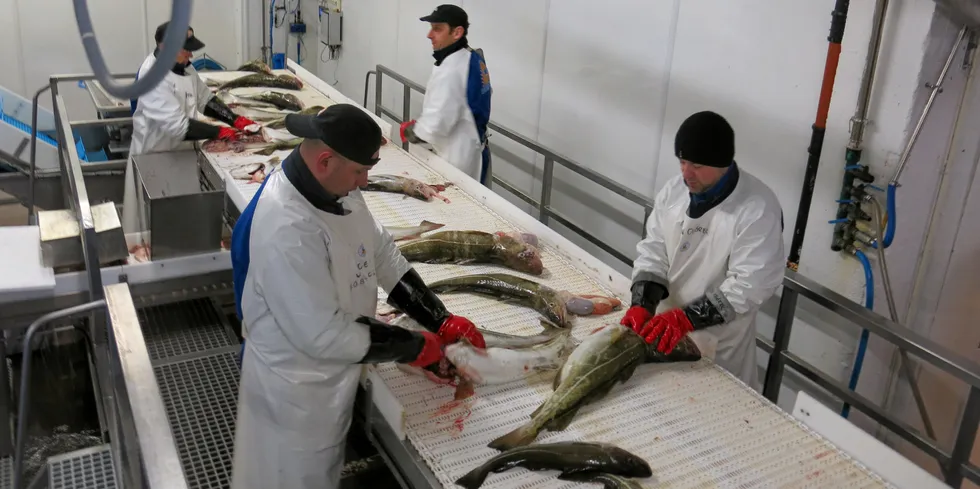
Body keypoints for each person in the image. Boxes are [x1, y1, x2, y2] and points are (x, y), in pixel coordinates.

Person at [228, 103, 486, 489]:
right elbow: (323, 334)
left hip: (334, 374)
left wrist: (439, 318)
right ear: (326, 160)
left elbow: (379, 250)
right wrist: (415, 346)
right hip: (294, 394)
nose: (365, 182)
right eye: (360, 172)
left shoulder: (335, 188)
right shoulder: (286, 225)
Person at [621, 111, 785, 390]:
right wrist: (643, 302)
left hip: (718, 346)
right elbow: (654, 248)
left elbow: (750, 284)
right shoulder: (674, 191)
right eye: (682, 162)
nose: (686, 173)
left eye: (696, 165)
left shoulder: (757, 208)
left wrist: (686, 318)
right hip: (661, 329)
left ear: (721, 163)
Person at [123, 22, 259, 233]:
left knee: (183, 222)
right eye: (186, 49)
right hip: (155, 158)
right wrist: (219, 132)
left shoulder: (186, 68)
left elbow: (205, 100)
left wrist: (234, 119)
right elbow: (178, 126)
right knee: (156, 229)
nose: (191, 55)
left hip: (181, 155)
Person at [399, 4, 493, 186]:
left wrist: (414, 132)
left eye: (437, 29)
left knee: (456, 204)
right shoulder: (471, 56)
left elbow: (437, 122)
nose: (429, 35)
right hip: (475, 144)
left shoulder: (451, 70)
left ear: (457, 32)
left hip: (458, 156)